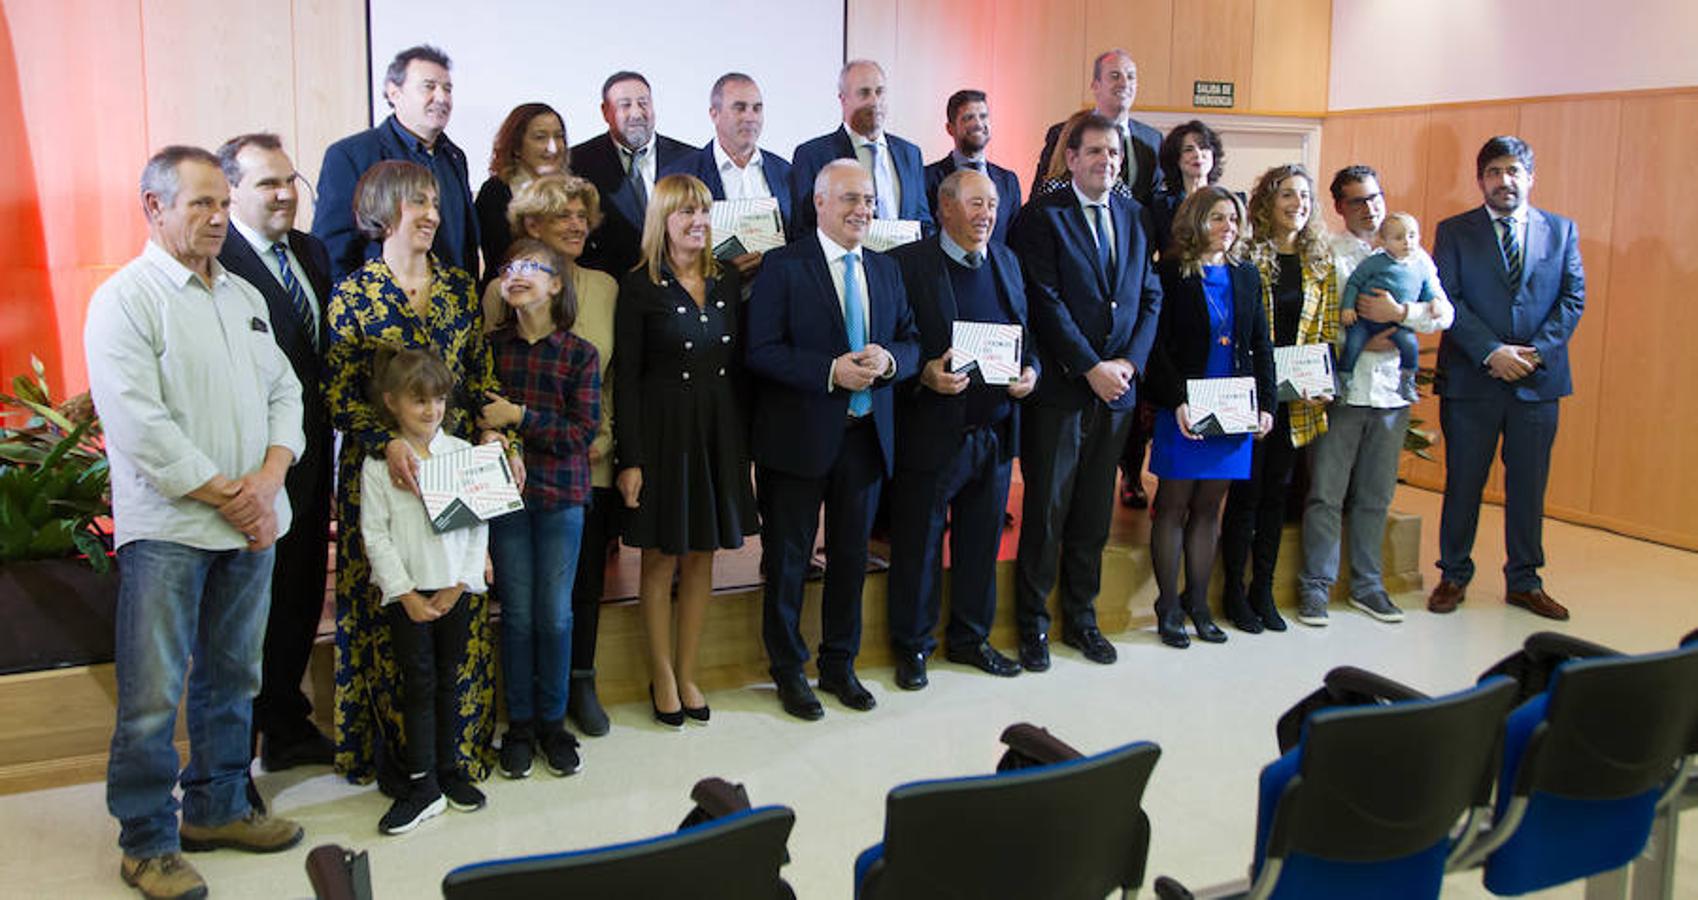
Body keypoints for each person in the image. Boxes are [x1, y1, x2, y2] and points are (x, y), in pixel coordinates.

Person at [87, 145, 305, 900]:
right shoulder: (127, 298)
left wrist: (270, 478)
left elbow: (286, 395)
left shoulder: (242, 296)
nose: (217, 219)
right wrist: (227, 493)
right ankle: (148, 842)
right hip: (172, 530)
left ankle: (216, 808)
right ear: (153, 208)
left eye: (222, 203)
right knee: (151, 696)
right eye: (200, 205)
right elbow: (138, 424)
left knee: (234, 678)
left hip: (251, 525)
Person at [324, 160, 514, 788]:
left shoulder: (461, 288)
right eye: (416, 203)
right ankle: (402, 765)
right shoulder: (353, 295)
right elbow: (336, 396)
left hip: (457, 463)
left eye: (435, 202)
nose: (431, 214)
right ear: (384, 210)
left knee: (459, 614)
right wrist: (387, 441)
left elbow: (480, 380)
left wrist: (493, 432)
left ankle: (459, 758)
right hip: (385, 470)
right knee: (395, 616)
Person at [745, 160, 920, 720]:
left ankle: (840, 662)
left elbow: (913, 341)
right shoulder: (782, 266)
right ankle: (789, 669)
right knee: (789, 560)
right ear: (818, 202)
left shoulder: (888, 271)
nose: (861, 210)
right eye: (848, 198)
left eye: (868, 199)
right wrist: (829, 372)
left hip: (866, 438)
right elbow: (761, 352)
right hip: (797, 438)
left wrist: (891, 359)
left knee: (850, 558)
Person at [1009, 113, 1162, 670]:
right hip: (1063, 392)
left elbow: (1150, 294)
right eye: (1094, 152)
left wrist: (1128, 363)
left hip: (1116, 392)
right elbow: (1043, 300)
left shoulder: (1136, 214)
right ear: (1070, 158)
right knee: (1048, 514)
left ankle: (1082, 618)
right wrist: (1090, 365)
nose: (1106, 162)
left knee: (1094, 516)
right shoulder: (1040, 218)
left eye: (1114, 154)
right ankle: (1033, 627)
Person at [615, 174, 758, 727]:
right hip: (662, 436)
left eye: (703, 211)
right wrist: (632, 459)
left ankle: (689, 669)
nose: (698, 222)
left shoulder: (725, 281)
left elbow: (738, 368)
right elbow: (626, 378)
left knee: (703, 557)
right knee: (660, 560)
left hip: (717, 432)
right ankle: (662, 674)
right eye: (685, 213)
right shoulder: (639, 286)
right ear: (663, 221)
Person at [214, 133, 337, 777]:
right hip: (248, 466)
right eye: (268, 183)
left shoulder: (312, 252)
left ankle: (287, 724)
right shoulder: (219, 261)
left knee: (297, 595)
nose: (285, 193)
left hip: (310, 460)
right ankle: (232, 760)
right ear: (231, 191)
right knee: (247, 611)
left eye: (291, 180)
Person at [886, 169, 1037, 690]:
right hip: (931, 427)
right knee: (920, 543)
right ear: (945, 208)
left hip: (993, 430)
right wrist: (924, 370)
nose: (986, 214)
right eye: (975, 204)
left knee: (981, 542)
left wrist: (1031, 372)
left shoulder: (1009, 262)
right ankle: (914, 646)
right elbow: (894, 340)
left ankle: (971, 638)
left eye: (992, 204)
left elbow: (1025, 333)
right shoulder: (907, 265)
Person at [483, 174, 619, 735]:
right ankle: (522, 721)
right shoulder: (496, 323)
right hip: (510, 484)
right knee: (517, 608)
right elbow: (483, 402)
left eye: (581, 215)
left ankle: (562, 706)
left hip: (579, 473)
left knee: (565, 602)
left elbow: (594, 409)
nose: (576, 224)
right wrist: (500, 433)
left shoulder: (600, 304)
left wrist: (520, 420)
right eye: (562, 214)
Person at [1428, 136, 1584, 621]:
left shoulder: (1560, 231)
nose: (1504, 180)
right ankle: (1453, 573)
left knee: (1529, 485)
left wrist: (1534, 354)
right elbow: (1448, 298)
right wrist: (1492, 351)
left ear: (1530, 177)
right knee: (1464, 482)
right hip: (1473, 380)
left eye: (1513, 171)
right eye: (1494, 172)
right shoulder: (1453, 231)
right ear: (1480, 181)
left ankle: (1524, 580)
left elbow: (1572, 298)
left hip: (1537, 383)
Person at [1297, 165, 1454, 626]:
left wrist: (1401, 313)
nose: (1370, 209)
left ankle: (1368, 585)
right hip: (1344, 392)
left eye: (1375, 198)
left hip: (1391, 396)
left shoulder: (1415, 254)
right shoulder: (1328, 253)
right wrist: (1362, 338)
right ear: (1340, 208)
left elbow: (1443, 312)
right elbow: (1316, 321)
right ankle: (1316, 587)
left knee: (1375, 496)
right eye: (1358, 201)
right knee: (1325, 495)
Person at [358, 348, 491, 834]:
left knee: (449, 677)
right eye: (419, 402)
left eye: (438, 400)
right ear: (392, 403)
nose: (431, 411)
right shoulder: (379, 466)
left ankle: (448, 771)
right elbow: (375, 535)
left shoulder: (461, 453)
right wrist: (407, 594)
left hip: (454, 591)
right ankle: (421, 782)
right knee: (416, 684)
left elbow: (478, 527)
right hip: (409, 596)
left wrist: (460, 584)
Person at [1143, 187, 1276, 648]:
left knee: (1208, 510)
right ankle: (1168, 606)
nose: (1228, 228)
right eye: (1218, 218)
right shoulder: (1169, 272)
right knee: (1174, 506)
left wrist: (1266, 405)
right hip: (1183, 406)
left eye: (1234, 220)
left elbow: (1261, 344)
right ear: (1196, 221)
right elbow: (1155, 347)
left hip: (1234, 406)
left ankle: (1198, 603)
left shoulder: (1245, 275)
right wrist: (1175, 398)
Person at [1219, 164, 1339, 631]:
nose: (1298, 204)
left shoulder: (1320, 260)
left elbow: (1326, 330)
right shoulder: (1246, 255)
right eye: (1287, 195)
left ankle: (1262, 590)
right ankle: (1232, 591)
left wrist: (1323, 379)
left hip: (1298, 398)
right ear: (1267, 202)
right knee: (1246, 498)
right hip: (1254, 395)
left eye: (1305, 197)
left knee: (1277, 498)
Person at [1120, 120, 1230, 512]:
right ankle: (1135, 474)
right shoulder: (1161, 205)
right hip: (1170, 305)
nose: (1197, 155)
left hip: (1214, 307)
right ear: (1175, 160)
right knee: (1154, 400)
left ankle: (1198, 482)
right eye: (1188, 149)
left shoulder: (1229, 201)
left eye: (1203, 148)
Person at [313, 45, 479, 282]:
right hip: (381, 309)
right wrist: (350, 310)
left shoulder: (454, 157)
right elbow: (331, 252)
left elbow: (465, 247)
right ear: (394, 92)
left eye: (448, 89)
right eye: (429, 87)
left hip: (454, 308)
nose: (442, 97)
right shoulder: (351, 154)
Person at [661, 72, 794, 279]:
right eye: (740, 108)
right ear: (714, 114)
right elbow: (664, 249)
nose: (750, 117)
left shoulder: (785, 172)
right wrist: (721, 271)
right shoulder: (681, 174)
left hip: (775, 296)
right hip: (709, 298)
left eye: (757, 108)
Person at [789, 59, 933, 238]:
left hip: (904, 264)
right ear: (843, 99)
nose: (875, 101)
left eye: (880, 92)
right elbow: (804, 226)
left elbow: (923, 221)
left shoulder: (910, 154)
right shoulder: (813, 155)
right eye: (864, 93)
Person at [570, 71, 694, 277]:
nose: (637, 113)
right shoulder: (577, 163)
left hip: (680, 287)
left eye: (643, 103)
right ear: (605, 111)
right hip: (612, 289)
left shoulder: (691, 159)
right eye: (625, 105)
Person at [1033, 49, 1164, 204]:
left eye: (1130, 77)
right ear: (1095, 86)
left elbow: (1155, 201)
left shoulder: (1153, 139)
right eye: (1115, 76)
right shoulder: (1063, 133)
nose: (1124, 83)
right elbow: (1038, 199)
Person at [1338, 213, 1442, 403]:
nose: (1407, 242)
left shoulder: (1420, 265)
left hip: (1395, 325)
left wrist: (1431, 303)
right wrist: (1348, 307)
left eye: (1412, 236)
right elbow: (1354, 283)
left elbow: (1431, 294)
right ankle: (1344, 380)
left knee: (1410, 345)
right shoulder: (1376, 262)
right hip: (1363, 322)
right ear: (1384, 241)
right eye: (1399, 238)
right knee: (1352, 344)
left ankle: (1407, 381)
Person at [474, 103, 568, 287]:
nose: (553, 147)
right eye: (541, 137)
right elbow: (497, 258)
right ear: (516, 146)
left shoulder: (573, 191)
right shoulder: (495, 192)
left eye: (559, 137)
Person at [922, 89, 1022, 245]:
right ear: (950, 128)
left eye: (983, 116)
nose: (978, 124)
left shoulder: (1008, 181)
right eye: (968, 118)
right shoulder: (926, 178)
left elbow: (1015, 242)